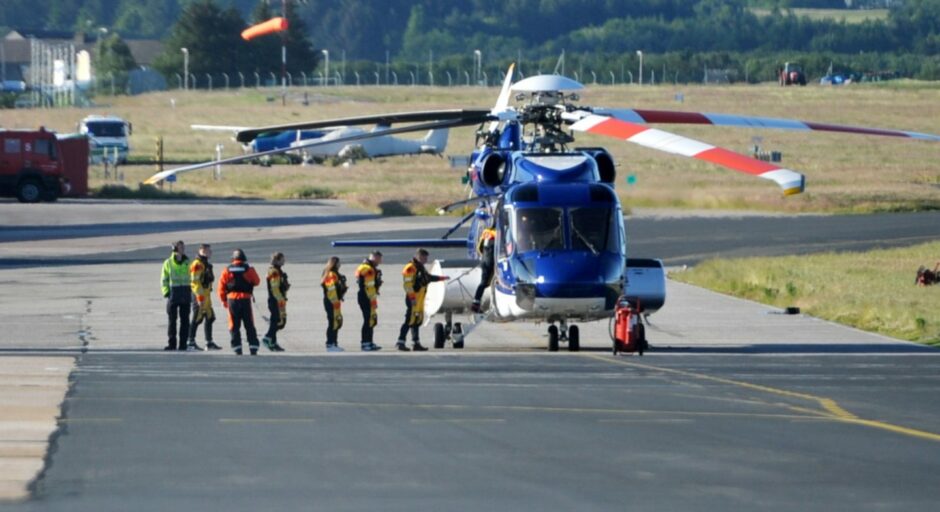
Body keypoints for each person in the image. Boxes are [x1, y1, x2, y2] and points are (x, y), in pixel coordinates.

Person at [397, 248, 448, 351]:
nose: (426, 260)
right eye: (425, 258)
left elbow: (428, 278)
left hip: (420, 299)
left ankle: (416, 343)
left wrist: (441, 278)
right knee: (409, 320)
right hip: (413, 298)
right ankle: (400, 342)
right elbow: (407, 285)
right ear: (419, 257)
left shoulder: (420, 268)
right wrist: (412, 298)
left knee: (417, 320)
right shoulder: (410, 268)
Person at [218, 249, 262, 355]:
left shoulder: (226, 270)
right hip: (245, 299)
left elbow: (221, 288)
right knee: (249, 324)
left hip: (232, 300)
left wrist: (224, 301)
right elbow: (257, 281)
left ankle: (237, 348)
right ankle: (253, 347)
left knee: (234, 325)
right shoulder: (248, 269)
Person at [188, 244, 221, 351]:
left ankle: (209, 342)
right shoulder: (197, 264)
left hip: (206, 295)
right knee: (197, 318)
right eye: (208, 251)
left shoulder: (206, 264)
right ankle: (191, 342)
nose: (210, 252)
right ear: (202, 251)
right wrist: (200, 297)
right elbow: (195, 282)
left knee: (210, 317)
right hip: (200, 295)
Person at [161, 240, 191, 351]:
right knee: (172, 321)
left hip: (185, 293)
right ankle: (172, 343)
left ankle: (183, 344)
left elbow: (192, 277)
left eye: (183, 247)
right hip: (173, 294)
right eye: (181, 247)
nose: (183, 249)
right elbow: (164, 279)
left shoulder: (188, 262)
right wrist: (166, 292)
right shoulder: (168, 263)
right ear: (175, 249)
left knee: (185, 321)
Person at [355, 251, 384, 351]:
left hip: (369, 296)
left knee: (371, 319)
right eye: (379, 259)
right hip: (366, 296)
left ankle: (369, 342)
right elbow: (369, 286)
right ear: (375, 257)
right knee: (368, 320)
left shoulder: (369, 268)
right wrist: (373, 301)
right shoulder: (367, 269)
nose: (380, 262)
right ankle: (365, 343)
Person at [262, 252, 289, 352]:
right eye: (282, 259)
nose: (284, 261)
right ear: (277, 260)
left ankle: (273, 342)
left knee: (278, 321)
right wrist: (280, 299)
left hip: (278, 299)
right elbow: (274, 288)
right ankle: (268, 337)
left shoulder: (278, 271)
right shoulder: (274, 271)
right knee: (276, 321)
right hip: (275, 300)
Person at [321, 256, 348, 352]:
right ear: (335, 263)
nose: (340, 264)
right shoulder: (331, 274)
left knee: (336, 322)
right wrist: (335, 301)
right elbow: (331, 289)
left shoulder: (334, 274)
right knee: (332, 322)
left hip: (334, 300)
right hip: (331, 301)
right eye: (339, 263)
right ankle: (330, 344)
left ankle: (334, 343)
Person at [472, 217, 497, 314]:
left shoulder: (486, 232)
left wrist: (484, 257)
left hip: (484, 260)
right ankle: (477, 303)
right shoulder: (499, 233)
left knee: (484, 283)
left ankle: (476, 302)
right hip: (492, 261)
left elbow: (479, 247)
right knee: (487, 283)